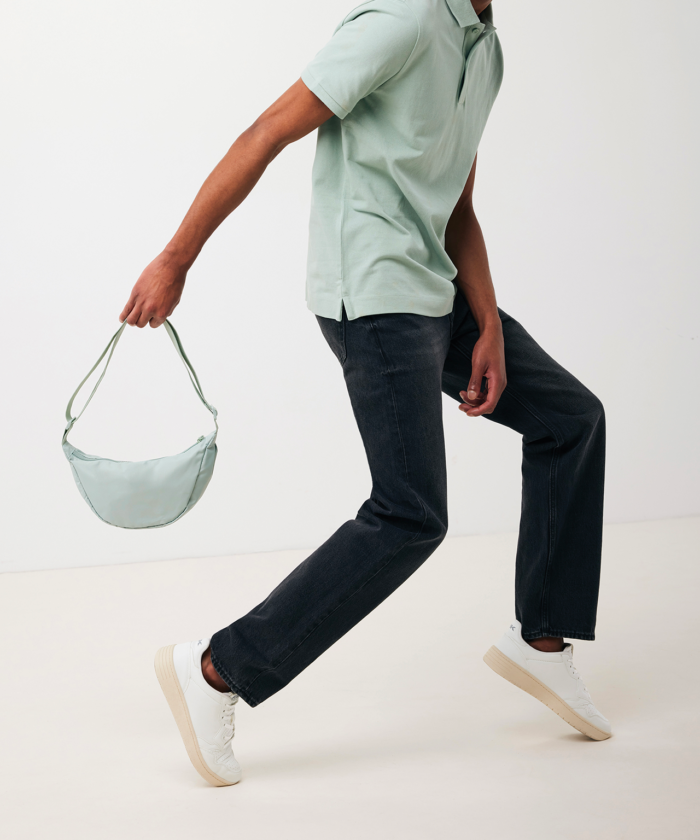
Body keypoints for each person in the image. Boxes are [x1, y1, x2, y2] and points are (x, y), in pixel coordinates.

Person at [122, 0, 611, 787]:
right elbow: (266, 131)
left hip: (437, 291)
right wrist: (176, 258)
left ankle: (543, 640)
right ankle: (215, 671)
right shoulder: (401, 20)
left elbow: (456, 205)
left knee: (571, 419)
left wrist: (488, 322)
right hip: (375, 297)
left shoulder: (485, 50)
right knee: (410, 512)